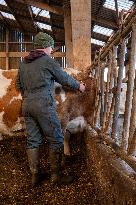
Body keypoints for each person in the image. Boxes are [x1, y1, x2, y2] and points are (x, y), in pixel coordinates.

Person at [16, 32, 86, 187]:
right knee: (56, 138)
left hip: (27, 105)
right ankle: (56, 177)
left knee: (33, 140)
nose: (51, 50)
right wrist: (79, 86)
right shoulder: (47, 61)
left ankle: (35, 176)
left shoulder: (23, 63)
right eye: (51, 47)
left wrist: (29, 97)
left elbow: (18, 86)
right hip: (44, 105)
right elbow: (64, 78)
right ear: (46, 47)